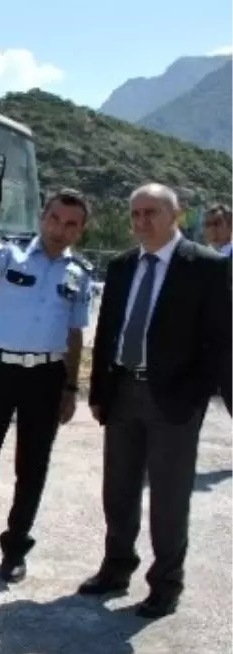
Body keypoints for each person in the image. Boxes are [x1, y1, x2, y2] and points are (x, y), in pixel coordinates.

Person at [82, 183, 233, 619]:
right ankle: (115, 568)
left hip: (175, 399)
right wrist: (99, 393)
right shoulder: (122, 266)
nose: (141, 221)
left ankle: (166, 584)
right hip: (124, 390)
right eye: (135, 214)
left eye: (151, 212)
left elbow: (221, 341)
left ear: (176, 217)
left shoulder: (203, 267)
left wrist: (196, 395)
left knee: (169, 497)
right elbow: (107, 331)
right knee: (119, 490)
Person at [0, 190, 94, 584]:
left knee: (32, 467)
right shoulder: (9, 252)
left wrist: (69, 388)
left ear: (80, 230)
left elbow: (75, 334)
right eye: (55, 219)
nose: (60, 230)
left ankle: (15, 548)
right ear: (42, 216)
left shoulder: (79, 273)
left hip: (45, 378)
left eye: (71, 224)